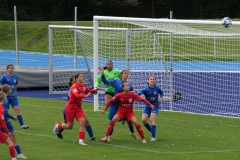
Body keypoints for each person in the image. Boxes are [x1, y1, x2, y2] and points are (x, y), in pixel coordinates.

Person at [53, 73, 99, 145]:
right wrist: (86, 96)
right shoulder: (74, 86)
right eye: (81, 76)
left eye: (83, 76)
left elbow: (89, 91)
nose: (83, 77)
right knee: (69, 126)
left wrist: (94, 90)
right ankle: (57, 126)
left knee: (83, 122)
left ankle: (81, 141)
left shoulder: (83, 86)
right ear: (77, 79)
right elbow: (77, 95)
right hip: (70, 107)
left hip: (78, 107)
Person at [98, 67, 138, 141]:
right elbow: (106, 82)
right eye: (125, 73)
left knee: (129, 121)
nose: (126, 75)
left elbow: (133, 94)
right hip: (115, 104)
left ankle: (132, 133)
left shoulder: (129, 85)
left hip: (123, 106)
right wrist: (102, 74)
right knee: (112, 120)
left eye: (127, 74)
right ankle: (109, 136)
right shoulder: (116, 82)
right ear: (121, 75)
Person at [1, 84, 27, 159]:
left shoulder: (6, 99)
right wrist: (13, 117)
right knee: (10, 139)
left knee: (13, 137)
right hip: (3, 122)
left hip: (6, 121)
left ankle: (19, 153)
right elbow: (5, 112)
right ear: (8, 91)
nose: (11, 90)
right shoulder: (4, 101)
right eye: (10, 89)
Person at [0, 64, 29, 129]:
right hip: (6, 97)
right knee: (4, 111)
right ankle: (4, 125)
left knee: (17, 110)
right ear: (7, 69)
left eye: (12, 68)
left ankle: (22, 125)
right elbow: (0, 85)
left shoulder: (15, 77)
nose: (11, 69)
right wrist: (6, 90)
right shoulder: (4, 77)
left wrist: (16, 93)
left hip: (13, 97)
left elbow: (15, 86)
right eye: (10, 68)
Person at [136, 75, 164, 141]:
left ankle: (153, 137)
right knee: (143, 120)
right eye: (150, 79)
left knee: (152, 119)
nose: (152, 80)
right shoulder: (145, 89)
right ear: (148, 81)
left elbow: (161, 93)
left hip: (155, 106)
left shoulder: (157, 88)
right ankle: (152, 131)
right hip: (147, 106)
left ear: (155, 81)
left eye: (153, 79)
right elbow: (138, 93)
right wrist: (136, 96)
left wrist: (161, 97)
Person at [0, 91, 17, 160]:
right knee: (10, 143)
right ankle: (14, 159)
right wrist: (8, 132)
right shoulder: (1, 109)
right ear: (4, 98)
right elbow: (2, 121)